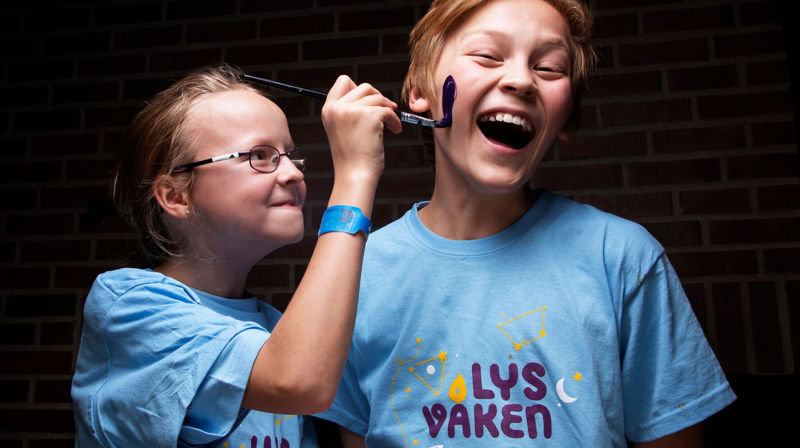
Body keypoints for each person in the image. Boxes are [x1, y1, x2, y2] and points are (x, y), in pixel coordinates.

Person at [316, 0, 736, 446]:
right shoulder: (357, 269)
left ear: (566, 117)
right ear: (420, 91)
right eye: (487, 56)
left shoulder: (622, 258)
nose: (520, 80)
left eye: (550, 67)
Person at [70, 63, 402, 447]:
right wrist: (355, 175)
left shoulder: (280, 331)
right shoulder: (129, 307)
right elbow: (294, 379)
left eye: (290, 155)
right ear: (176, 197)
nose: (293, 174)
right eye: (260, 156)